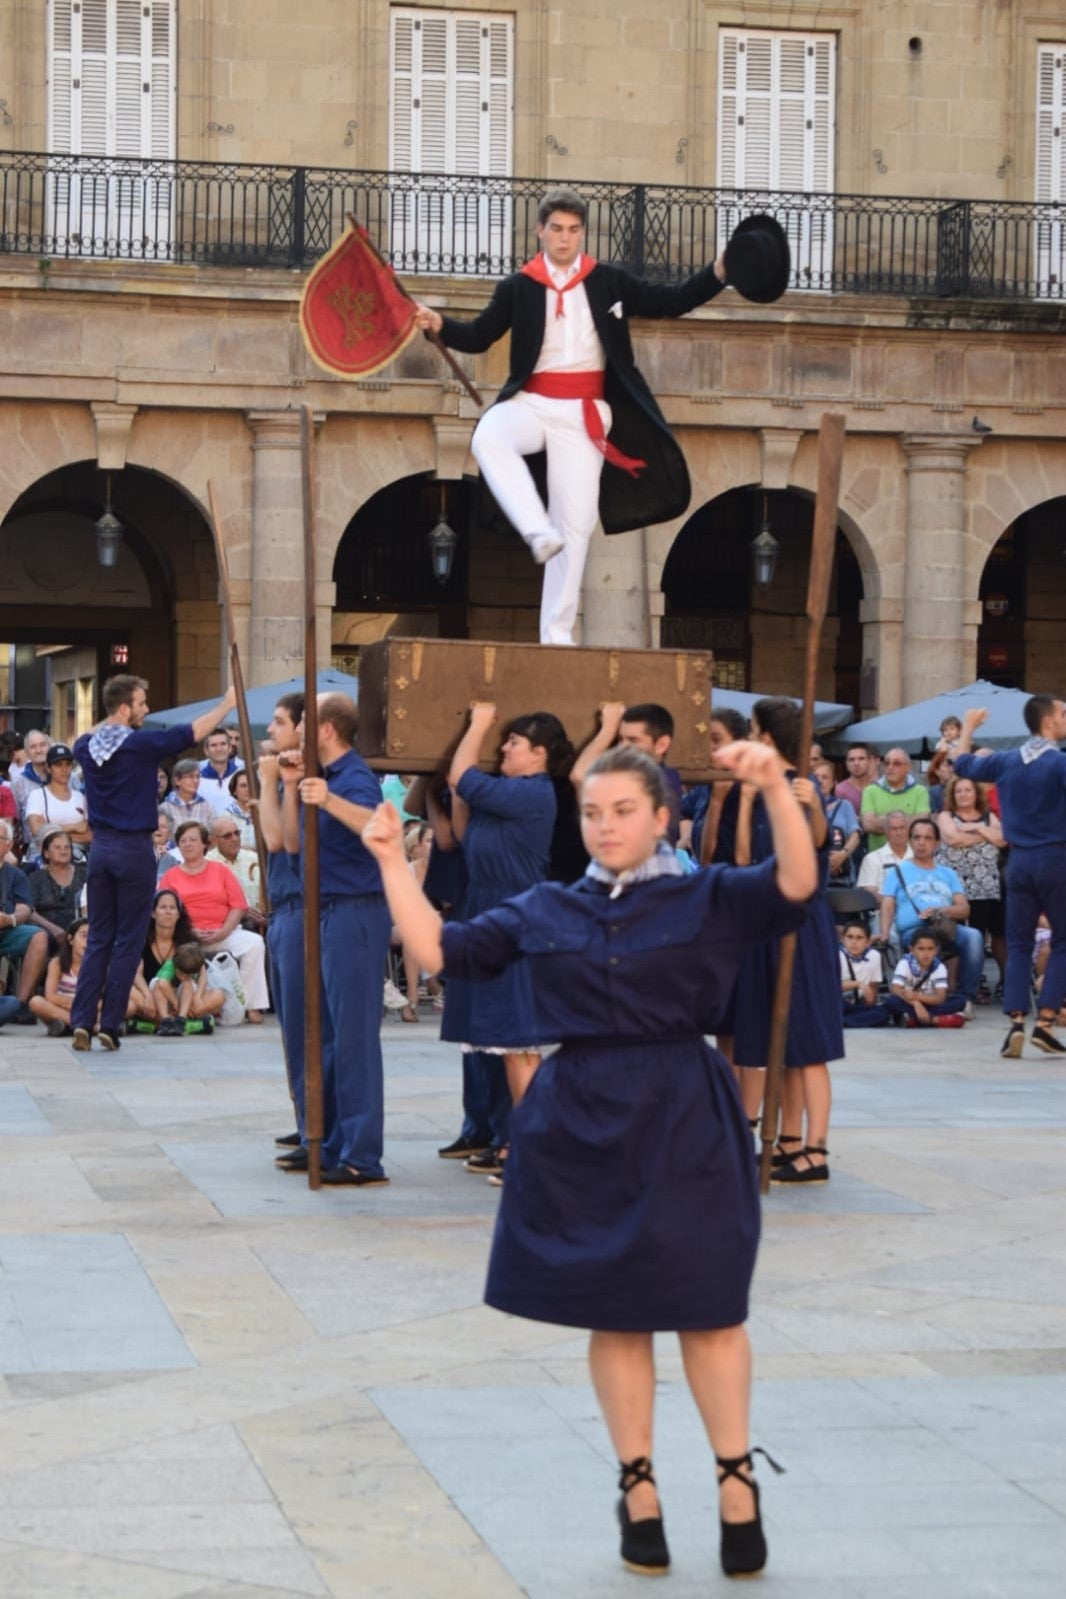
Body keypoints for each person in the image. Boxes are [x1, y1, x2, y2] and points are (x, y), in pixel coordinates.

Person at [361, 739, 816, 1581]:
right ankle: (637, 1488)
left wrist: (778, 790)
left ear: (662, 817)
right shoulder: (547, 907)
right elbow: (441, 951)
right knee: (618, 1306)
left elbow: (795, 882)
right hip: (582, 1118)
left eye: (624, 811)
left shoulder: (710, 895)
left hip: (687, 1110)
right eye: (594, 813)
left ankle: (735, 1478)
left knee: (711, 1306)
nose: (606, 827)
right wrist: (392, 859)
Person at [414, 188, 728, 645]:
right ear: (541, 231)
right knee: (489, 437)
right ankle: (534, 528)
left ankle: (558, 634)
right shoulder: (519, 286)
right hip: (534, 404)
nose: (565, 239)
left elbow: (672, 300)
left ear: (583, 232)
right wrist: (440, 326)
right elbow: (480, 336)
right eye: (557, 229)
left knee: (576, 526)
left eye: (574, 230)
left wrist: (718, 272)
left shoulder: (609, 281)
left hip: (585, 414)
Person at [70, 675, 236, 1052]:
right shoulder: (141, 744)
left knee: (98, 938)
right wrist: (226, 704)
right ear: (127, 708)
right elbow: (192, 732)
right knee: (128, 940)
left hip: (101, 849)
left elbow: (96, 732)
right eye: (142, 703)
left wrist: (113, 718)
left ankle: (81, 1020)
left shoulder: (86, 746)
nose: (147, 709)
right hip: (132, 849)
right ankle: (109, 1025)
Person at [732, 699, 843, 1184]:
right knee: (783, 1042)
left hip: (801, 923)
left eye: (756, 730)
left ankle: (815, 1150)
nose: (752, 737)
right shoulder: (759, 787)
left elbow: (819, 841)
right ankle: (790, 1140)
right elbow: (742, 859)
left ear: (769, 736)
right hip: (767, 920)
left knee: (808, 1041)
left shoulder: (800, 785)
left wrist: (814, 802)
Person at [287, 693, 391, 1186]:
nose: (300, 729)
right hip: (327, 914)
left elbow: (376, 826)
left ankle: (361, 1154)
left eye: (305, 721)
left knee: (353, 1039)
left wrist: (326, 800)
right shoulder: (327, 779)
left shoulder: (353, 778)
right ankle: (330, 1143)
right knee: (326, 1036)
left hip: (356, 913)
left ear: (327, 729)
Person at [955, 698, 1066, 1057]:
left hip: (1017, 862)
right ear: (1048, 721)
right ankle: (1046, 1020)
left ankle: (1017, 1022)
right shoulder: (1060, 763)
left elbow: (962, 763)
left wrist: (969, 727)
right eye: (1063, 713)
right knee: (1063, 942)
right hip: (1054, 859)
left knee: (1018, 943)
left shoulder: (1007, 760)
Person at [257, 693, 306, 1161]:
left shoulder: (301, 779)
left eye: (278, 722)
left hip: (303, 906)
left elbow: (277, 839)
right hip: (282, 905)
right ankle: (305, 1120)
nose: (270, 731)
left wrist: (270, 780)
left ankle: (316, 1126)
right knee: (291, 1028)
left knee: (305, 1026)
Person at [158, 821, 269, 1023]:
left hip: (223, 932)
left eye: (193, 840)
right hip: (187, 937)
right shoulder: (171, 876)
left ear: (205, 845)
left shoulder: (221, 870)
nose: (188, 844)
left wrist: (224, 932)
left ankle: (251, 1005)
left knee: (254, 944)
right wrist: (191, 931)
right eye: (183, 841)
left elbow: (239, 906)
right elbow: (164, 909)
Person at [877, 818, 984, 1009]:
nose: (921, 842)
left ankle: (965, 999)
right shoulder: (898, 871)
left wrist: (941, 910)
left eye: (928, 838)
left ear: (937, 843)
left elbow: (964, 909)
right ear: (910, 841)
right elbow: (887, 904)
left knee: (974, 936)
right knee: (924, 940)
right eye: (917, 837)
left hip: (944, 929)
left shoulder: (948, 873)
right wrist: (884, 934)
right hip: (914, 930)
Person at [573, 702, 682, 845]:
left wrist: (608, 729)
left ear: (661, 745)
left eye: (633, 740)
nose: (622, 748)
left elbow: (580, 776)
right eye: (620, 739)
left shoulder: (660, 782)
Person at [936, 773, 1006, 990]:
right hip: (957, 889)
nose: (963, 794)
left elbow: (1002, 839)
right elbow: (953, 839)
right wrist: (985, 836)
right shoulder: (946, 816)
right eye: (959, 791)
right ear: (953, 795)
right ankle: (962, 983)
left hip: (986, 887)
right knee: (959, 937)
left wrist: (977, 828)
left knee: (988, 935)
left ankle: (990, 981)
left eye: (968, 790)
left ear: (976, 793)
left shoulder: (987, 816)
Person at [0, 820, 51, 1023]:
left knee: (38, 937)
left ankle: (20, 1004)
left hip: (6, 928)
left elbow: (24, 907)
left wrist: (10, 918)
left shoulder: (16, 875)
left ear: (8, 845)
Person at [23, 744, 92, 866]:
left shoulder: (80, 797)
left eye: (68, 764)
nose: (64, 769)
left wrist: (49, 829)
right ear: (48, 768)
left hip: (77, 857)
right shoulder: (37, 795)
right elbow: (37, 830)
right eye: (58, 765)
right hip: (43, 858)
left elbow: (89, 835)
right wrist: (74, 827)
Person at [884, 929, 967, 1027]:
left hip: (930, 1004)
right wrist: (916, 1003)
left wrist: (917, 997)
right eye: (921, 949)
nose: (926, 953)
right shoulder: (905, 963)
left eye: (930, 949)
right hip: (909, 1003)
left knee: (960, 1000)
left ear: (936, 950)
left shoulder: (939, 967)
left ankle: (914, 1020)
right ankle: (936, 1020)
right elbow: (895, 989)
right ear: (912, 950)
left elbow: (940, 998)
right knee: (891, 1001)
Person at [29, 917, 91, 1037]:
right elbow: (51, 996)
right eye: (84, 936)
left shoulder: (98, 965)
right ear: (70, 939)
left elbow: (102, 999)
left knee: (127, 1005)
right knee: (35, 1002)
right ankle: (85, 1026)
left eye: (93, 937)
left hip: (87, 1009)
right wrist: (73, 1004)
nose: (89, 941)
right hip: (61, 1008)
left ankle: (66, 1026)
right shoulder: (57, 963)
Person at [860, 748, 930, 850]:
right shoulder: (870, 791)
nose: (890, 767)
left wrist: (882, 822)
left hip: (912, 857)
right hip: (878, 858)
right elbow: (868, 825)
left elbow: (922, 824)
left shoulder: (920, 791)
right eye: (887, 763)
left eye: (896, 764)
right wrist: (908, 821)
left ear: (908, 767)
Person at [26, 828, 88, 943]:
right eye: (57, 847)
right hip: (46, 932)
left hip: (81, 930)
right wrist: (54, 930)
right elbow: (30, 911)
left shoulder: (85, 874)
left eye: (67, 847)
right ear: (46, 853)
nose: (63, 851)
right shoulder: (35, 878)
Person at [815, 761, 861, 884]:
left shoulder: (845, 805)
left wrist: (842, 855)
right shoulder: (804, 807)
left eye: (825, 777)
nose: (820, 781)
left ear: (833, 783)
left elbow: (855, 836)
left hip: (842, 877)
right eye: (816, 777)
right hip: (813, 876)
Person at [856, 810, 913, 904]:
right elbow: (869, 892)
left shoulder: (919, 857)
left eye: (902, 828)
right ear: (886, 833)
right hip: (882, 912)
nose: (899, 833)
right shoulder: (872, 859)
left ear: (908, 831)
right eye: (894, 829)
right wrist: (894, 907)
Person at [839, 919, 889, 1028]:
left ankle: (843, 1021)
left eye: (859, 938)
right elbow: (830, 987)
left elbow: (873, 988)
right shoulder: (837, 955)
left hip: (857, 1004)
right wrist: (858, 984)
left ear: (867, 941)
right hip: (839, 1002)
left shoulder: (874, 956)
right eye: (850, 937)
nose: (854, 942)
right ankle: (845, 1020)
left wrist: (870, 1000)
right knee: (834, 1005)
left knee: (882, 1013)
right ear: (843, 939)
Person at [162, 759, 215, 836]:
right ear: (177, 780)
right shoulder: (165, 808)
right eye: (191, 777)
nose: (196, 781)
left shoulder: (208, 807)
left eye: (198, 776)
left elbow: (213, 837)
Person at [197, 726, 244, 814]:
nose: (219, 749)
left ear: (230, 748)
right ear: (206, 751)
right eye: (213, 745)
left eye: (223, 744)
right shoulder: (196, 780)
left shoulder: (242, 776)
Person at [835, 742, 874, 814]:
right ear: (846, 764)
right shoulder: (839, 791)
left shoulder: (878, 788)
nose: (856, 763)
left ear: (870, 761)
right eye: (851, 759)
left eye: (861, 759)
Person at [224, 769, 258, 851]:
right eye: (243, 786)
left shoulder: (265, 813)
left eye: (251, 785)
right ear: (234, 791)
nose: (248, 789)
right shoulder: (226, 816)